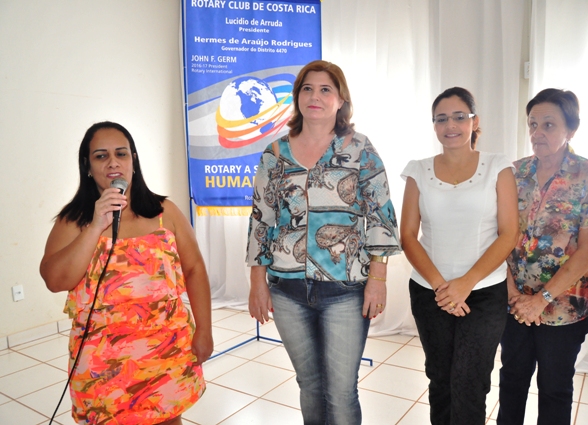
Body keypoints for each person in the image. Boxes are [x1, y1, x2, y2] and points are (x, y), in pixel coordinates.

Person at [246, 60, 401, 425]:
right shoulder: (275, 153)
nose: (315, 96)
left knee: (341, 391)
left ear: (340, 100)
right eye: (307, 88)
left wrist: (377, 279)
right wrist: (257, 283)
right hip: (287, 289)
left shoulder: (360, 149)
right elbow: (261, 219)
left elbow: (380, 215)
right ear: (297, 96)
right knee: (310, 385)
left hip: (344, 290)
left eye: (325, 89)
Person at [40, 121, 213, 425]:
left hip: (166, 349)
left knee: (168, 419)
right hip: (101, 361)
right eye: (101, 156)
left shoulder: (166, 212)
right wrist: (96, 225)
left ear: (133, 160)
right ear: (87, 166)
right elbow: (55, 281)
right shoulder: (74, 221)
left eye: (121, 153)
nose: (113, 162)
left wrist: (205, 330)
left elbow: (195, 269)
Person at [400, 87, 519, 425]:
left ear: (474, 121)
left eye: (458, 117)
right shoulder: (418, 170)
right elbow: (407, 236)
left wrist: (465, 283)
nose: (449, 125)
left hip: (484, 292)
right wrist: (443, 288)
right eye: (441, 119)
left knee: (470, 381)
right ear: (434, 125)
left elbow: (509, 233)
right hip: (430, 292)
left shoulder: (498, 166)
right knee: (440, 378)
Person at [497, 89, 588, 425]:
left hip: (565, 306)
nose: (537, 132)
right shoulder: (514, 173)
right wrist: (512, 292)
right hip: (515, 301)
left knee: (554, 387)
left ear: (571, 130)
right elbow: (499, 234)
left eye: (548, 124)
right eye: (533, 124)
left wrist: (541, 300)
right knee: (512, 380)